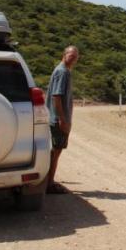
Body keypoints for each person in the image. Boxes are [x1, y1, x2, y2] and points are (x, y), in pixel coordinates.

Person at [45, 45, 80, 194]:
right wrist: (62, 119)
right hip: (57, 119)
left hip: (56, 118)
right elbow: (56, 96)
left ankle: (48, 181)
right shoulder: (62, 72)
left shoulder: (63, 70)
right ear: (64, 55)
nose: (73, 58)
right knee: (56, 151)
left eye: (75, 56)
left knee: (55, 151)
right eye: (71, 55)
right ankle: (49, 184)